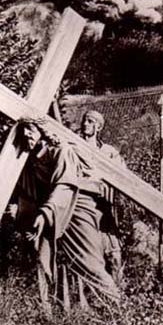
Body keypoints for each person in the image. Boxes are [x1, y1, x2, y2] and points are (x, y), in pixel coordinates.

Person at [13, 115, 121, 313]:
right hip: (53, 211)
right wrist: (30, 218)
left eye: (30, 129)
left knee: (90, 263)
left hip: (77, 207)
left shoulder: (63, 150)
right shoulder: (31, 160)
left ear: (42, 131)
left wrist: (45, 213)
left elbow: (66, 185)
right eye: (23, 130)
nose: (26, 134)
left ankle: (118, 309)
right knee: (42, 258)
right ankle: (49, 314)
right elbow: (28, 192)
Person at [77, 110, 125, 286]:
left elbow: (122, 175)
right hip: (83, 208)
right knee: (90, 256)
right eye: (84, 120)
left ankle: (119, 294)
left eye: (90, 121)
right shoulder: (75, 146)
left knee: (115, 255)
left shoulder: (108, 152)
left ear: (99, 127)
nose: (85, 124)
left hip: (104, 207)